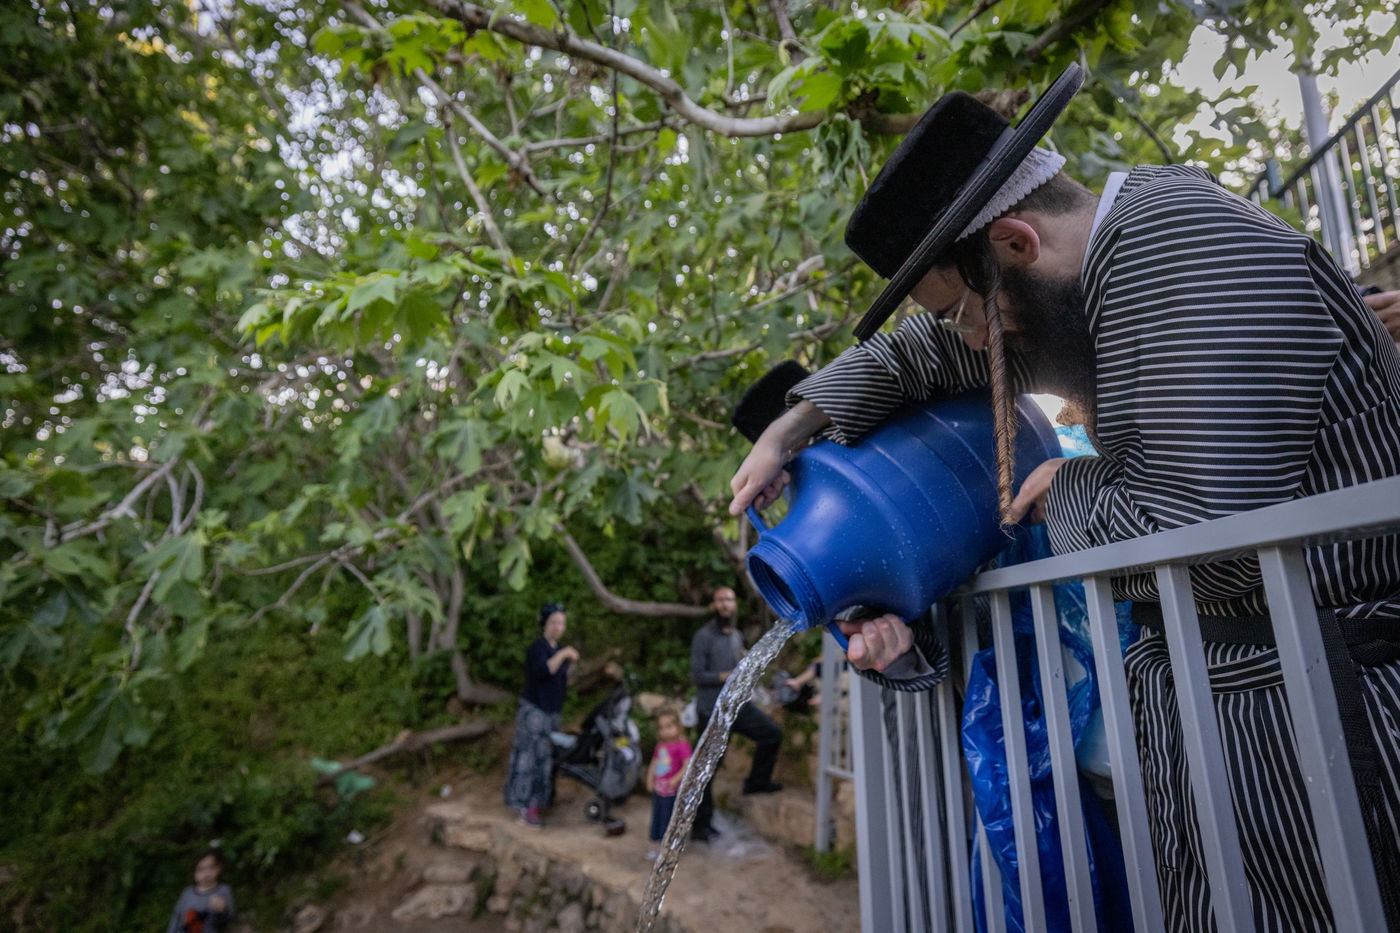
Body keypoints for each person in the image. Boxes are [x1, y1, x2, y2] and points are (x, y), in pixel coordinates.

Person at [729, 64, 1400, 932]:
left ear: (1014, 244)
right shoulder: (1087, 284)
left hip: (1335, 716)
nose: (970, 341)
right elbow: (921, 360)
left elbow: (1205, 538)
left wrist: (1068, 487)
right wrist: (790, 427)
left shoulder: (1176, 245)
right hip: (1245, 713)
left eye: (966, 312)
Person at [689, 585, 783, 842]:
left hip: (738, 707)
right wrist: (725, 676)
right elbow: (697, 675)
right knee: (706, 771)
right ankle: (701, 826)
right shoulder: (703, 636)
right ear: (713, 605)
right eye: (720, 600)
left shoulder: (736, 635)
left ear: (735, 605)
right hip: (713, 712)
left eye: (729, 600)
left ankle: (757, 783)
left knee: (772, 734)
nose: (725, 604)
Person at [504, 601, 578, 828]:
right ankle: (524, 808)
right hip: (534, 712)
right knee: (529, 759)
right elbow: (544, 670)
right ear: (545, 624)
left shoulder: (557, 650)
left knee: (545, 759)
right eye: (554, 622)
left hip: (551, 712)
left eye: (562, 623)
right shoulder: (538, 648)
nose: (558, 627)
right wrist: (565, 653)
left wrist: (570, 663)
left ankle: (537, 805)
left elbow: (563, 679)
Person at [645, 706, 693, 859]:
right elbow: (654, 762)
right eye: (661, 728)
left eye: (669, 726)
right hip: (660, 789)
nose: (665, 731)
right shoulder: (661, 746)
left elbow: (688, 765)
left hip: (673, 791)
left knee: (669, 819)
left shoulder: (682, 746)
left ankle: (670, 848)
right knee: (657, 818)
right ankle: (657, 846)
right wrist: (649, 778)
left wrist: (675, 779)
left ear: (678, 726)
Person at [165, 849, 234, 933]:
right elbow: (176, 917)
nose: (206, 873)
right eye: (200, 869)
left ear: (219, 868)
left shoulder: (223, 890)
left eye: (211, 867)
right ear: (194, 873)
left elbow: (227, 918)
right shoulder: (187, 892)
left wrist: (222, 910)